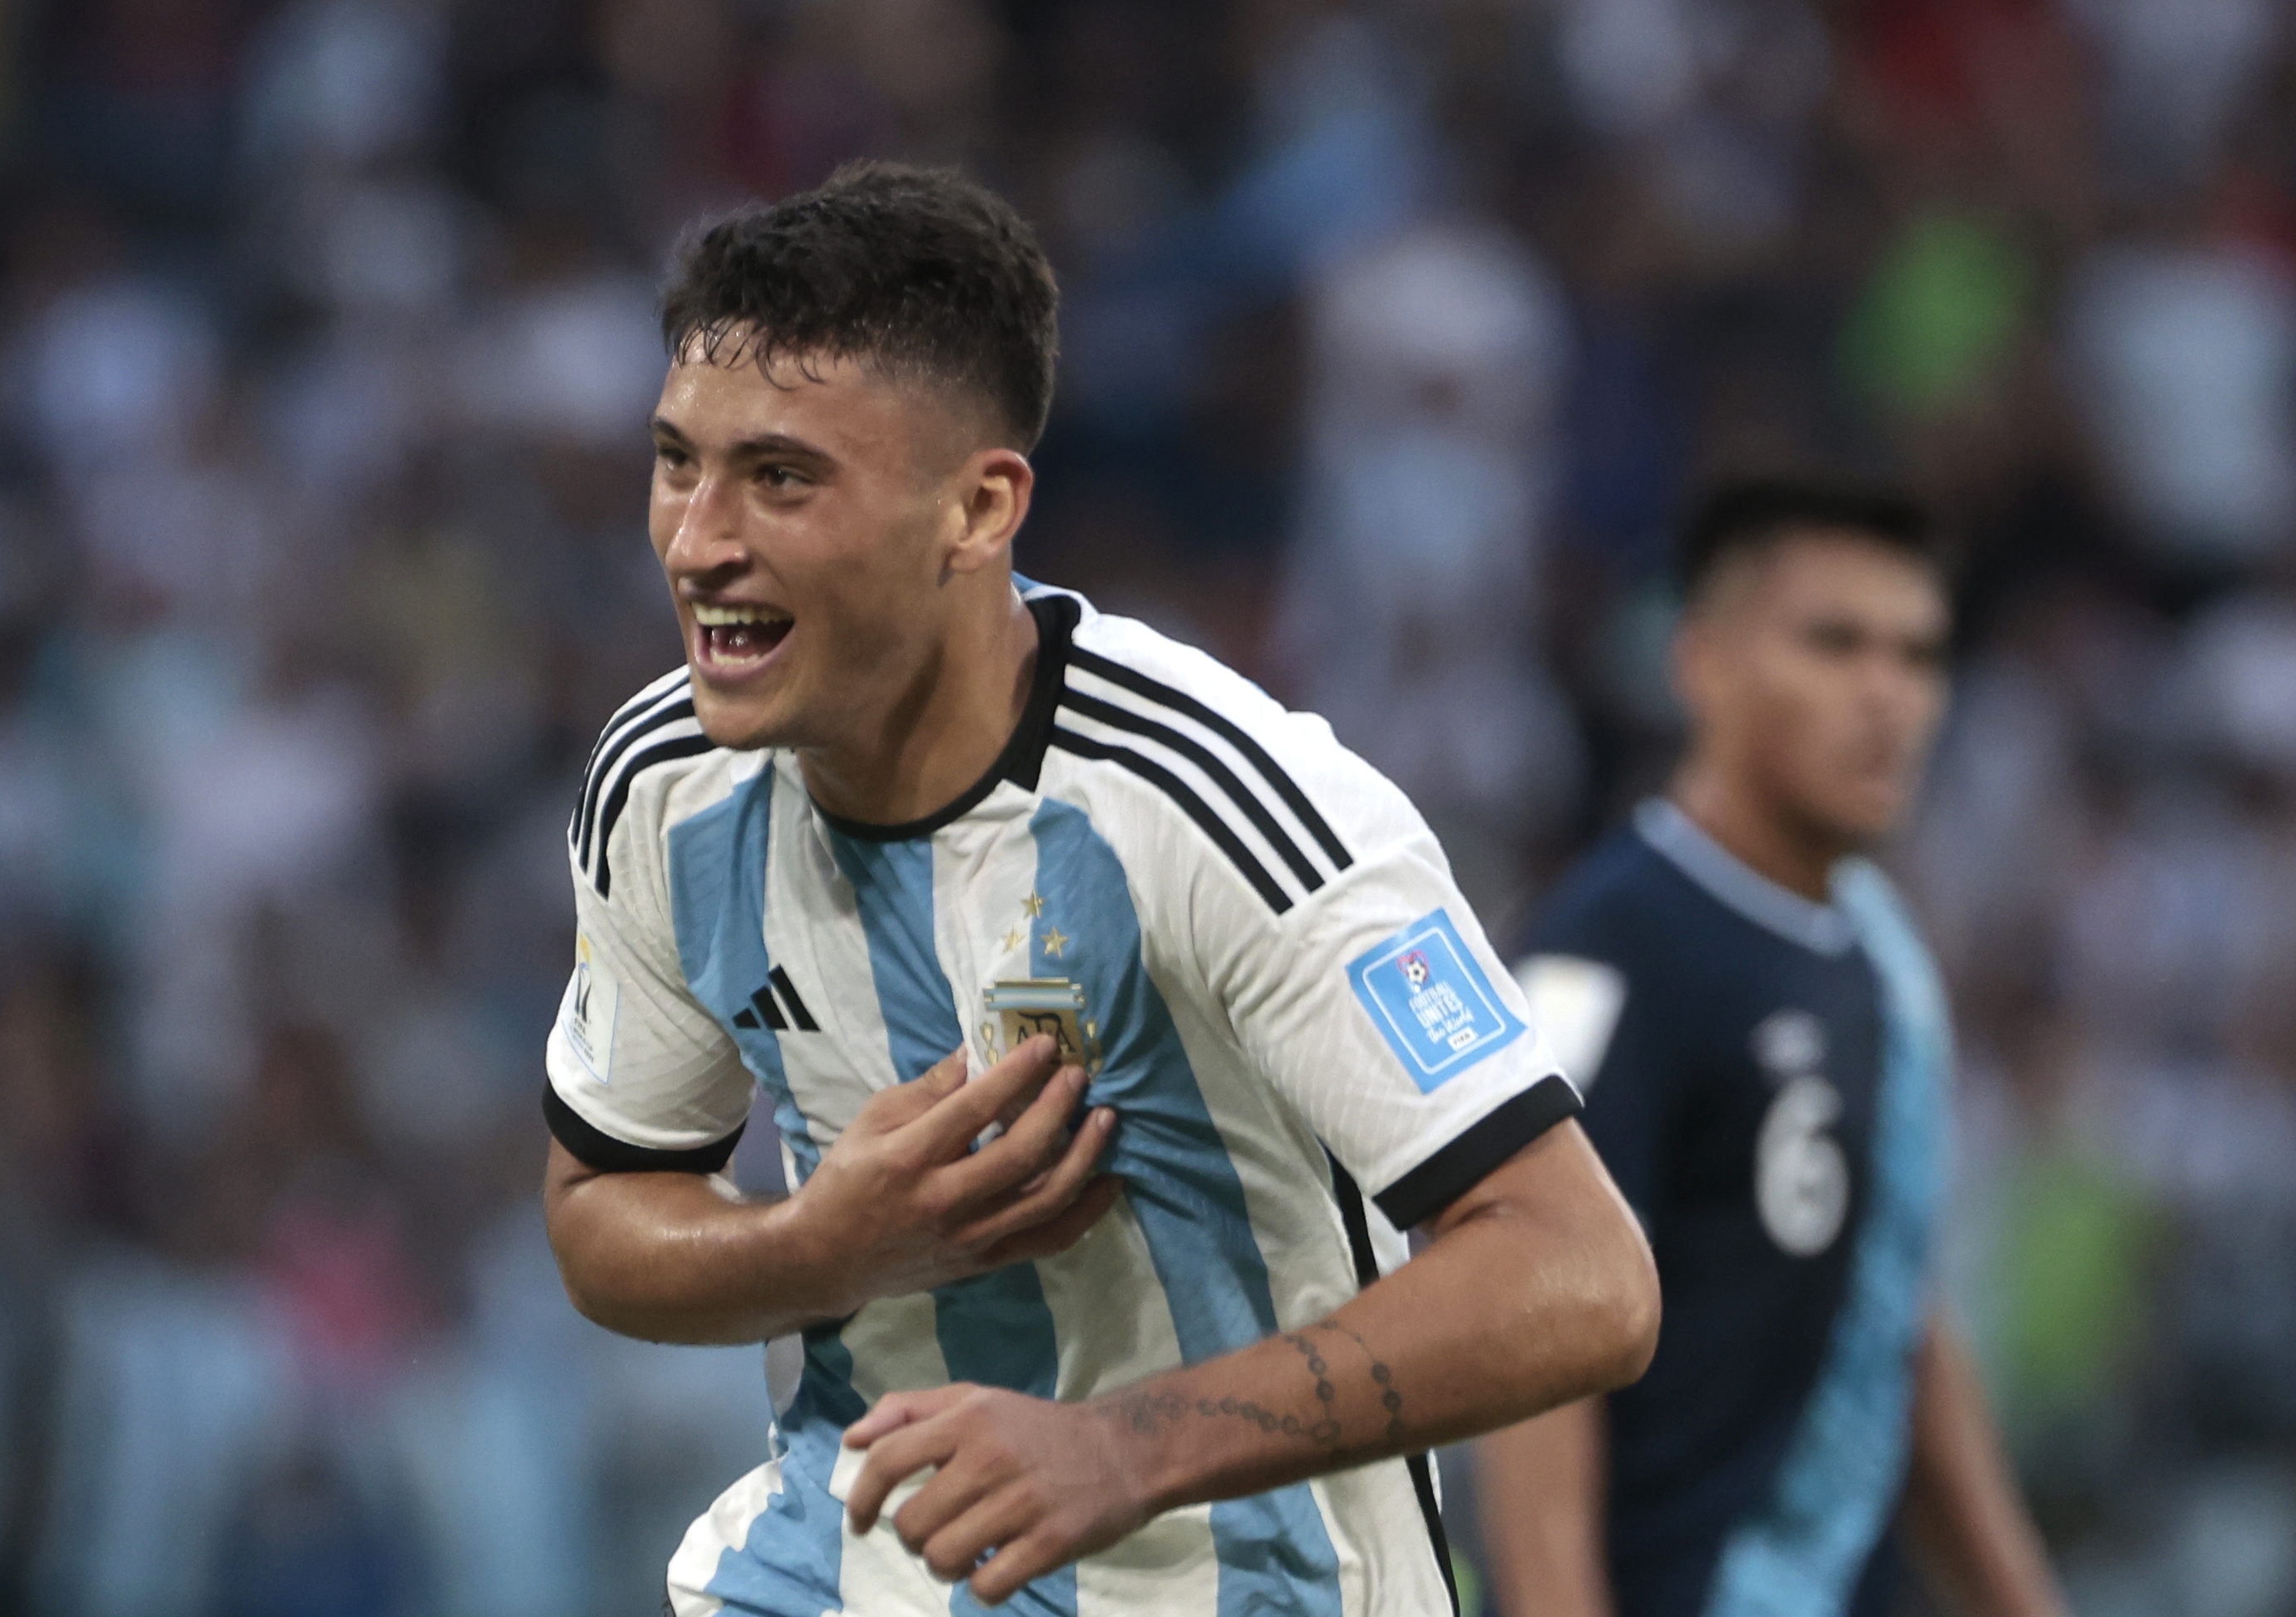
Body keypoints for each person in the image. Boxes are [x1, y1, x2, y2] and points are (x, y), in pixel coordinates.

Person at [539, 161, 1660, 1615]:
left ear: (979, 508)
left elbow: (1580, 1275)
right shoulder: (663, 784)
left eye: (782, 477)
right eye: (679, 461)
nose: (698, 542)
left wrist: (1121, 1450)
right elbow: (604, 1204)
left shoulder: (1215, 804)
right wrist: (815, 1246)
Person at [1473, 481, 2064, 1617]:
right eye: (1835, 645)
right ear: (1704, 664)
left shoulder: (1883, 954)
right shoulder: (1608, 947)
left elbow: (1892, 1308)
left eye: (1919, 655)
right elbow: (1524, 1315)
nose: (1886, 696)